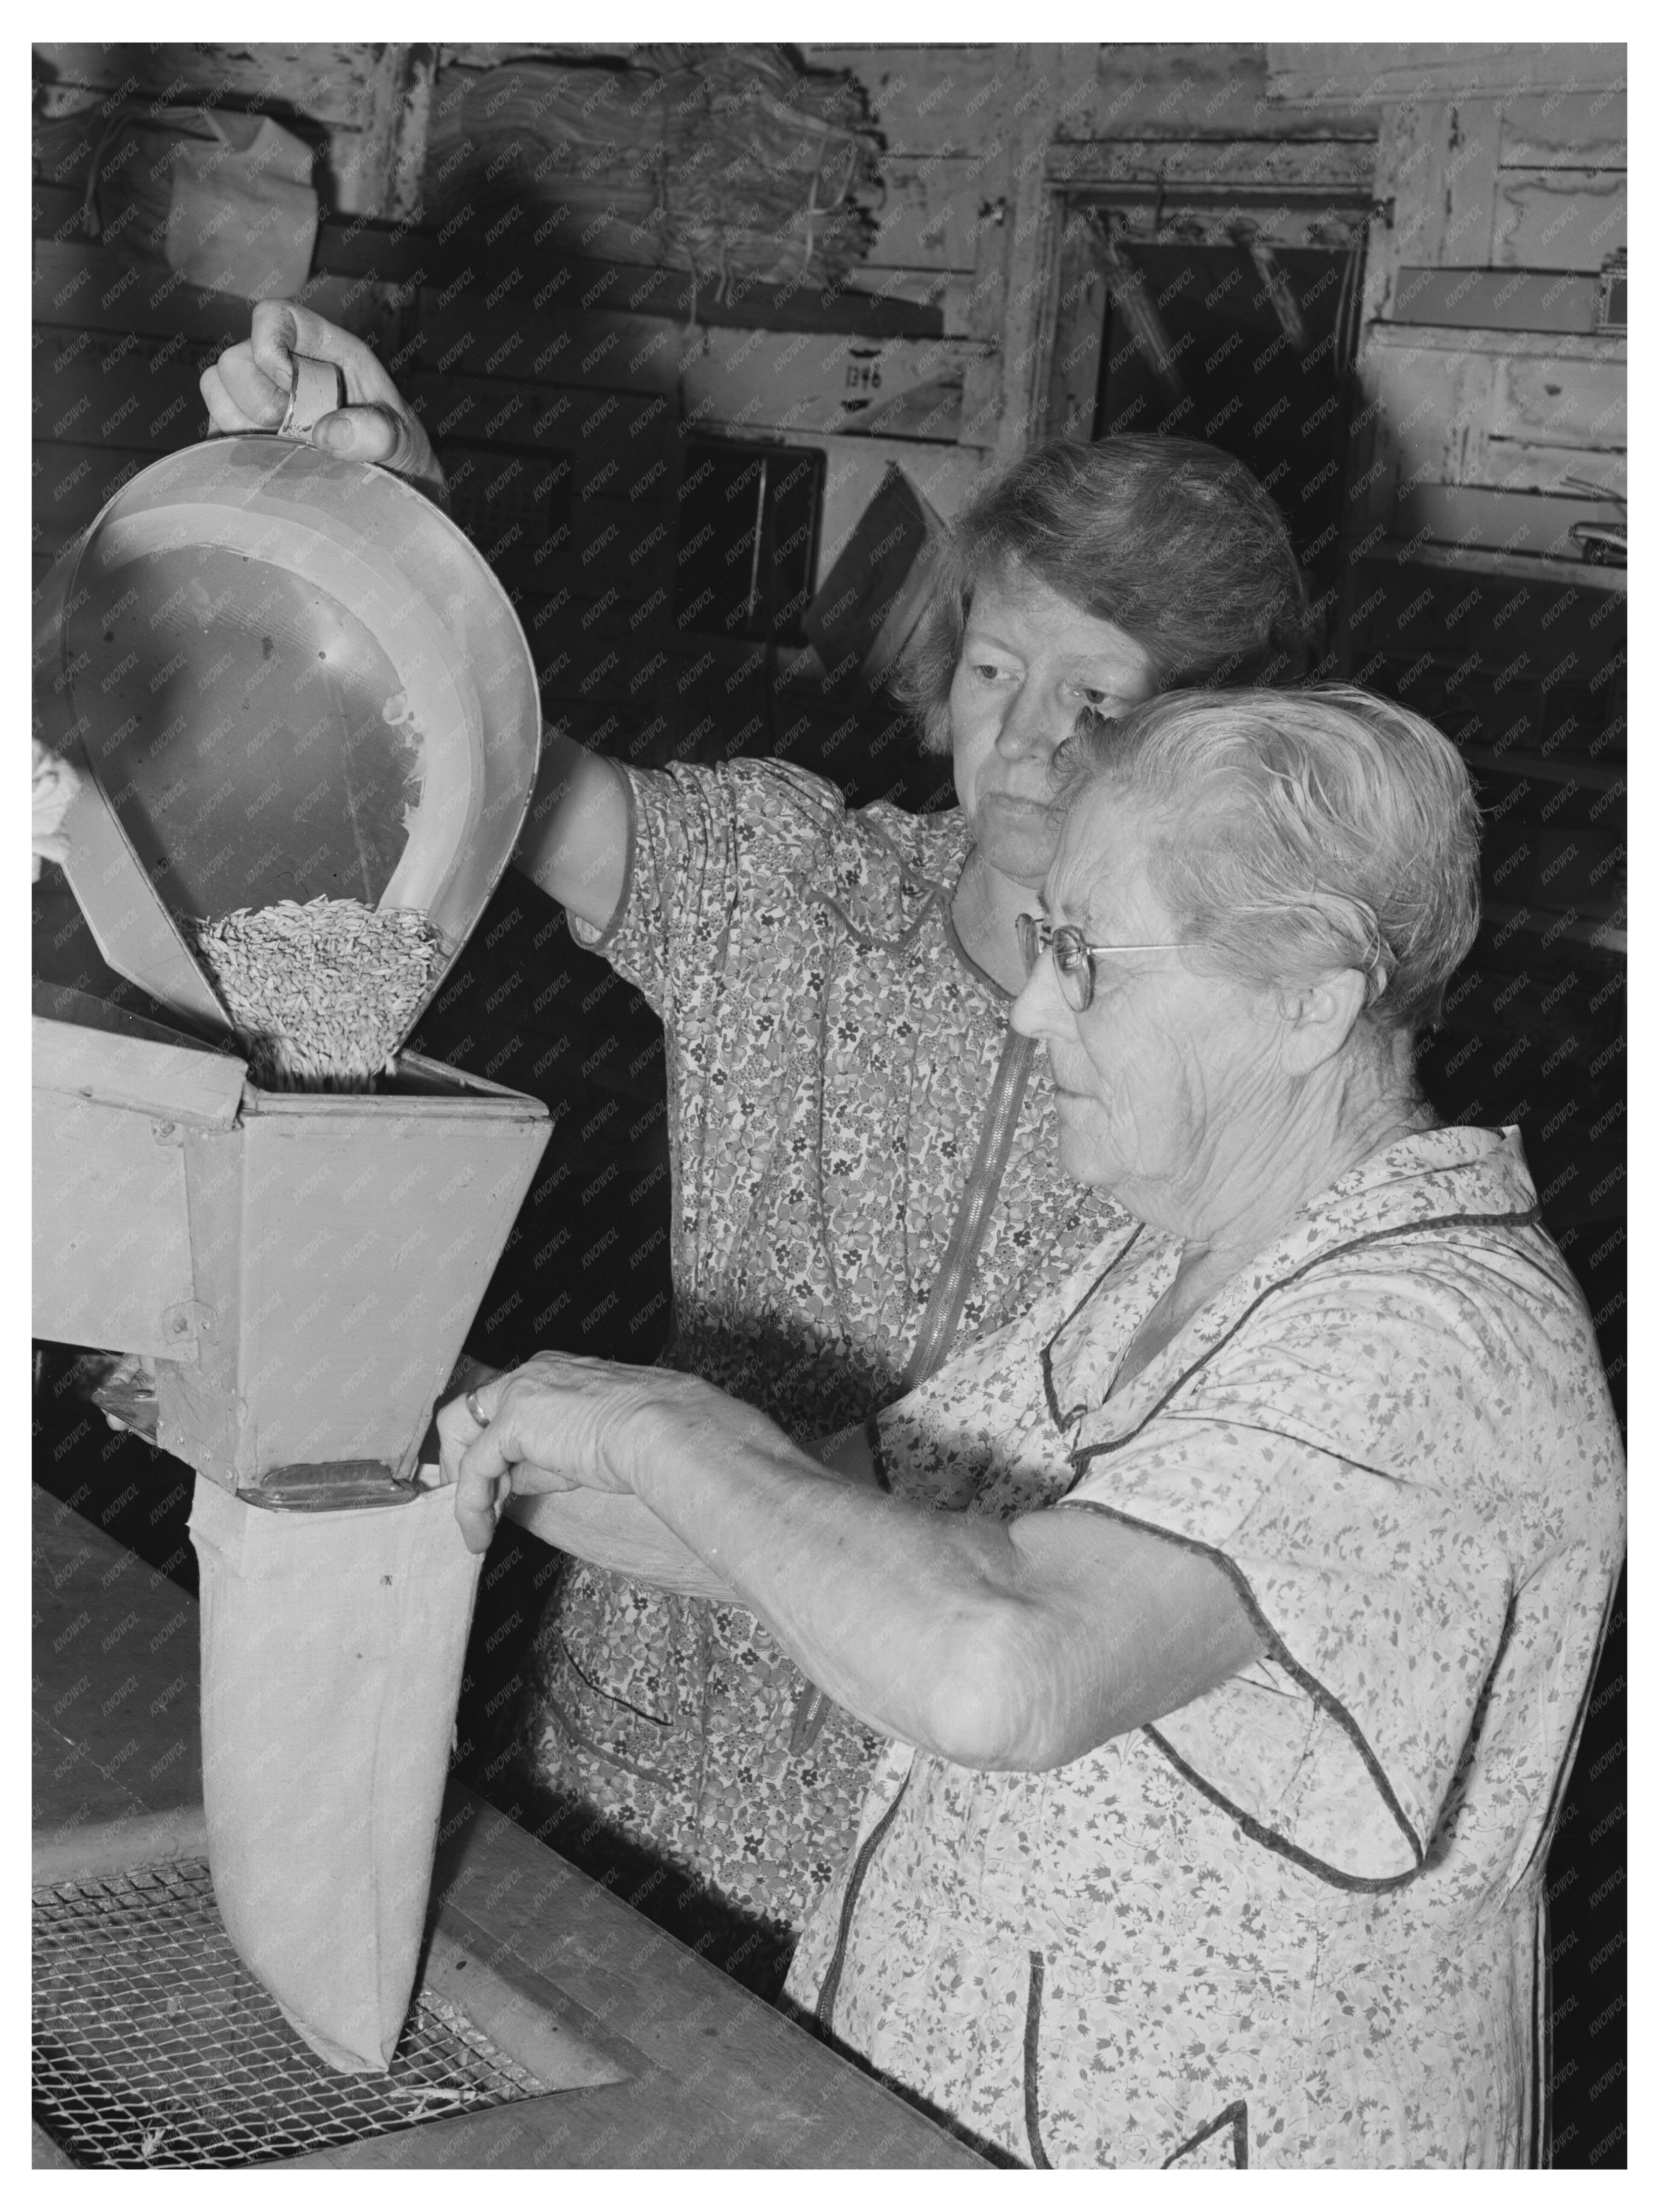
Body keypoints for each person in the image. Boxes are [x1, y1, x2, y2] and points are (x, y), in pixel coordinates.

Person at [200, 302, 1310, 1962]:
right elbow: (508, 776)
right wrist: (394, 509)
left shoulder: (1238, 1079)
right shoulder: (792, 889)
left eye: (1101, 695)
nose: (1026, 741)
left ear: (1213, 745)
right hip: (621, 1778)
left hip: (935, 1856)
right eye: (997, 671)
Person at [439, 686, 1625, 2168]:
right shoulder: (1167, 1264)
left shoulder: (1431, 1348)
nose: (1028, 1006)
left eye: (1083, 958)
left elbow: (1001, 1667)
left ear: (1307, 998)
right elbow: (805, 1522)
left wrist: (657, 1425)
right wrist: (437, 1432)